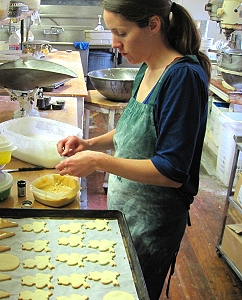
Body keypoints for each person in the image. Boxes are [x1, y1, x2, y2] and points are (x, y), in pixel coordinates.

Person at [55, 1, 211, 299]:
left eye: (121, 33)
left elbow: (172, 171)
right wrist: (90, 144)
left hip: (153, 222)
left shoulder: (182, 79)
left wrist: (100, 161)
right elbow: (132, 130)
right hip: (126, 208)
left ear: (153, 25)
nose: (115, 43)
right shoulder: (147, 67)